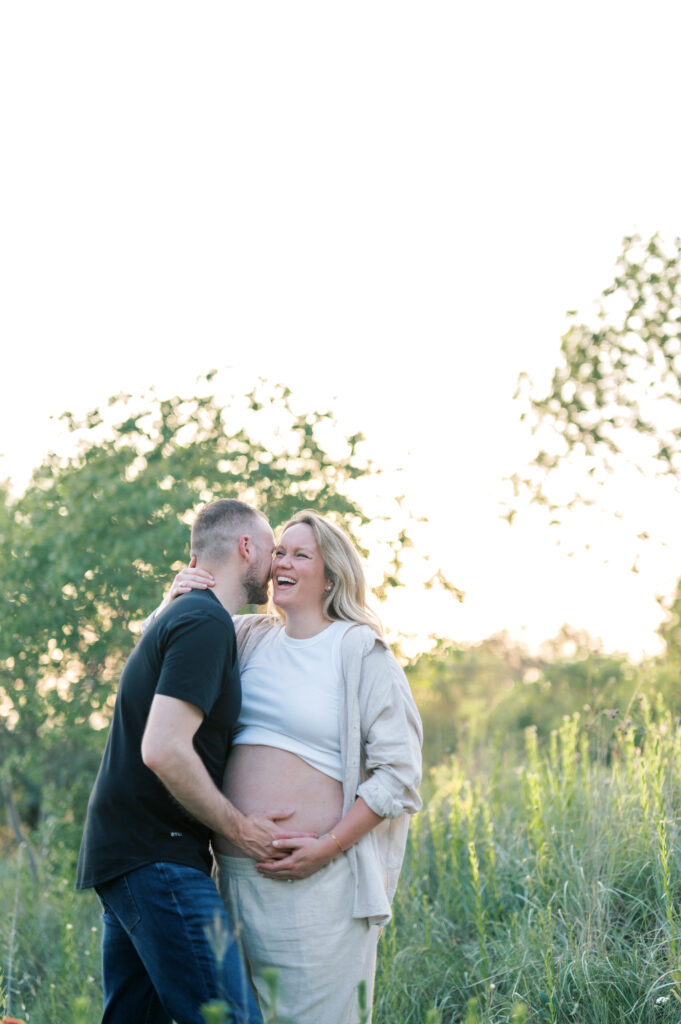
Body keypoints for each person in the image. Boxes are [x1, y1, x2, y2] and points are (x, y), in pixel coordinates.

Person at [165, 509, 423, 1024]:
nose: (281, 561)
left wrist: (326, 848)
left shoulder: (360, 652)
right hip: (236, 878)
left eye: (300, 554)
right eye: (279, 551)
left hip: (319, 886)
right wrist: (175, 597)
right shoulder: (248, 637)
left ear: (331, 576)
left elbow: (399, 776)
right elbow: (158, 658)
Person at [76, 498, 309, 1024]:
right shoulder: (205, 623)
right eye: (273, 551)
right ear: (246, 547)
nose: (276, 566)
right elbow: (162, 747)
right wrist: (241, 830)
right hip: (159, 859)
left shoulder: (184, 618)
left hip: (130, 856)